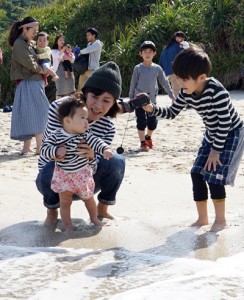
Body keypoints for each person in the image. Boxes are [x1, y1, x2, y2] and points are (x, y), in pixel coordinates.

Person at [143, 46, 244, 232]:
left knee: (214, 176)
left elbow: (225, 122)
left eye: (184, 79)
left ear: (201, 78)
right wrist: (152, 109)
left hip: (231, 133)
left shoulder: (217, 91)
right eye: (178, 77)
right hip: (212, 133)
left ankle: (221, 220)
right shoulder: (186, 92)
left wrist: (215, 151)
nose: (180, 83)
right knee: (197, 173)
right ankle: (202, 218)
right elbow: (172, 112)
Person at [36, 61, 125, 229]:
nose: (98, 105)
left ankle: (102, 209)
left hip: (84, 179)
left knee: (116, 161)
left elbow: (98, 163)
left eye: (106, 100)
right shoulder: (60, 108)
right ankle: (52, 212)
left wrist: (93, 156)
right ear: (85, 93)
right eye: (94, 97)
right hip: (56, 178)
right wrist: (60, 150)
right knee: (49, 168)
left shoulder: (108, 126)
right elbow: (46, 151)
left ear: (114, 103)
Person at [40, 97, 113, 232]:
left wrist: (105, 149)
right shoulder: (56, 135)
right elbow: (43, 149)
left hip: (82, 175)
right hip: (63, 176)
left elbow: (96, 141)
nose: (87, 123)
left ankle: (94, 218)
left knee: (88, 199)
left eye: (86, 118)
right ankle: (68, 226)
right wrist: (55, 151)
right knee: (65, 202)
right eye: (82, 118)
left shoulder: (85, 135)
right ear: (67, 120)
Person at [8, 16, 49, 155]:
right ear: (24, 29)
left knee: (29, 114)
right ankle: (39, 147)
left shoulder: (26, 43)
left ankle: (28, 148)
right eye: (34, 30)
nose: (36, 33)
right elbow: (30, 63)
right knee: (39, 113)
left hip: (30, 82)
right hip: (29, 82)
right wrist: (44, 70)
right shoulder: (20, 44)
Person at [129, 41, 175, 152]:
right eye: (145, 52)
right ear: (141, 54)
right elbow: (133, 83)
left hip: (152, 101)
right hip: (138, 99)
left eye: (150, 51)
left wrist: (172, 96)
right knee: (141, 121)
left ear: (154, 53)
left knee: (152, 123)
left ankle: (148, 137)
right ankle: (142, 143)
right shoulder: (138, 68)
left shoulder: (157, 68)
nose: (147, 54)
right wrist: (131, 99)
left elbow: (164, 83)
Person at [159, 31, 189, 97]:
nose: (181, 39)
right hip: (176, 70)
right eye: (180, 38)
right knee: (180, 88)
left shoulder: (166, 47)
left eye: (182, 38)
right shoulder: (179, 46)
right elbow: (185, 57)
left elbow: (161, 60)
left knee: (176, 88)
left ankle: (179, 103)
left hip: (168, 72)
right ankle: (179, 104)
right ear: (176, 38)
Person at [77, 28, 103, 92]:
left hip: (93, 70)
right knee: (80, 88)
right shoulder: (89, 44)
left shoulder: (97, 44)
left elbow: (87, 50)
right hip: (85, 69)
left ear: (94, 35)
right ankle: (80, 101)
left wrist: (79, 51)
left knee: (93, 88)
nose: (87, 37)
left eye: (88, 35)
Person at [51, 35, 76, 99]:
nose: (62, 41)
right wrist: (64, 51)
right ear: (56, 42)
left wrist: (67, 56)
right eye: (60, 40)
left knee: (72, 90)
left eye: (63, 40)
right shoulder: (53, 50)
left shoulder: (67, 50)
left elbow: (73, 59)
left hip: (68, 71)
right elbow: (58, 55)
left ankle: (72, 106)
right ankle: (57, 107)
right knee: (60, 91)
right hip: (59, 71)